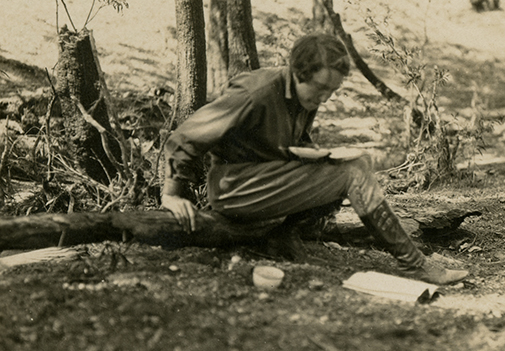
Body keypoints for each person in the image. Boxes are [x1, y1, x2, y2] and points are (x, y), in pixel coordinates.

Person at [161, 33, 468, 285]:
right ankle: (414, 264)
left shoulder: (302, 95)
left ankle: (282, 239)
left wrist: (314, 155)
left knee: (344, 165)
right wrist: (172, 194)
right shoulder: (256, 93)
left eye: (331, 91)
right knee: (355, 172)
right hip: (234, 188)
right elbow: (186, 135)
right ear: (297, 72)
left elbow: (279, 140)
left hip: (264, 180)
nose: (324, 98)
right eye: (320, 88)